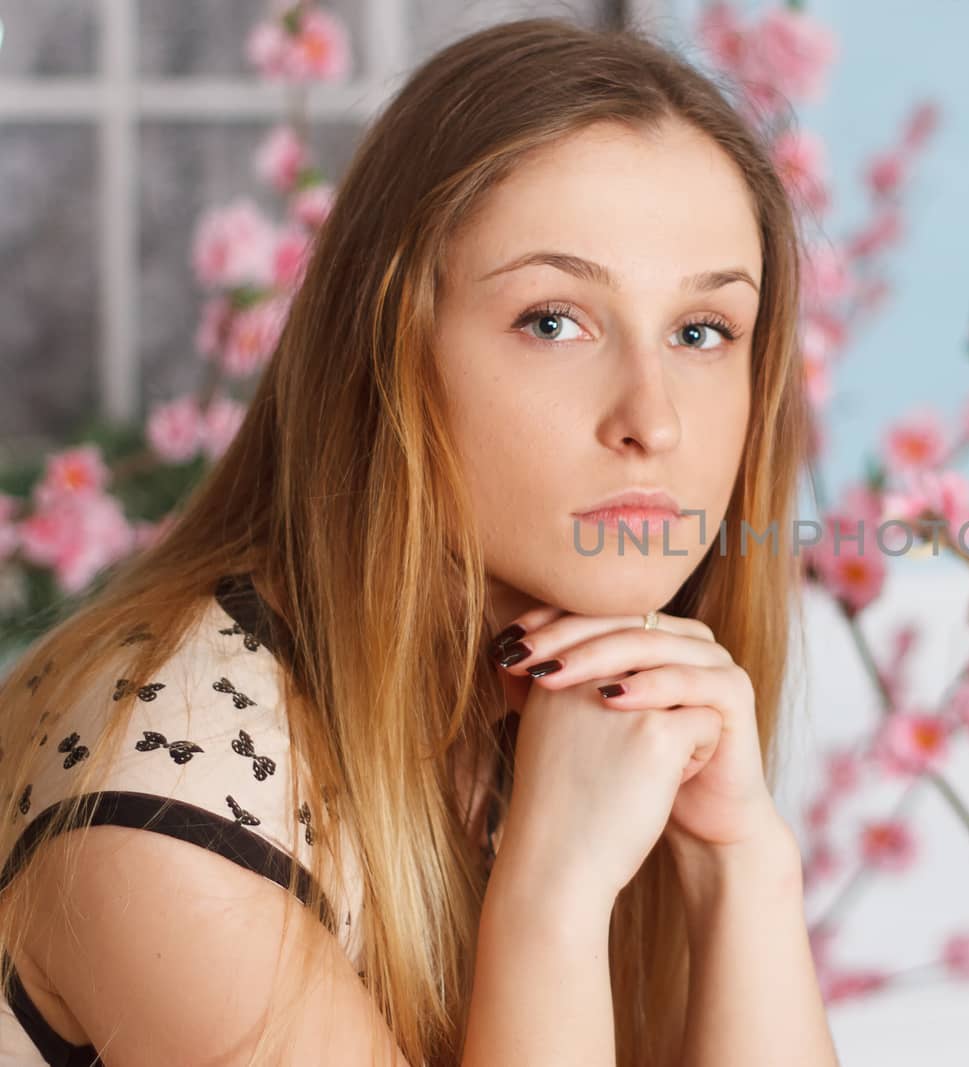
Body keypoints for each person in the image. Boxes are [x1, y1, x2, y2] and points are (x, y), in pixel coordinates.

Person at [0, 14, 836, 1067]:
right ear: (384, 343)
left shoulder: (536, 719)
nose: (654, 419)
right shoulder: (168, 816)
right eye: (554, 319)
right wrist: (554, 898)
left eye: (702, 331)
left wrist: (742, 869)